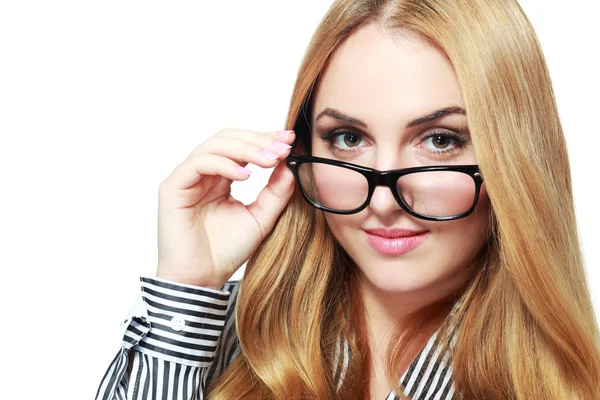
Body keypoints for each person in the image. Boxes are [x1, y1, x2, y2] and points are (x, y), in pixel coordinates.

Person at [95, 0, 600, 399]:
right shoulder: (215, 334)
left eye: (440, 140)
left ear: (516, 164)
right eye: (349, 139)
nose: (384, 200)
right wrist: (187, 287)